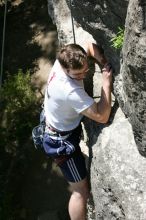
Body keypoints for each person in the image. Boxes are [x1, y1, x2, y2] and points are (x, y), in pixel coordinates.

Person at [43, 42, 112, 220]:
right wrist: (106, 83)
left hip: (56, 121)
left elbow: (89, 47)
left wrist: (102, 61)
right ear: (66, 70)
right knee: (80, 191)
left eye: (85, 70)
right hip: (60, 141)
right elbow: (102, 116)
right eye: (77, 74)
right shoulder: (70, 90)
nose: (82, 75)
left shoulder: (66, 57)